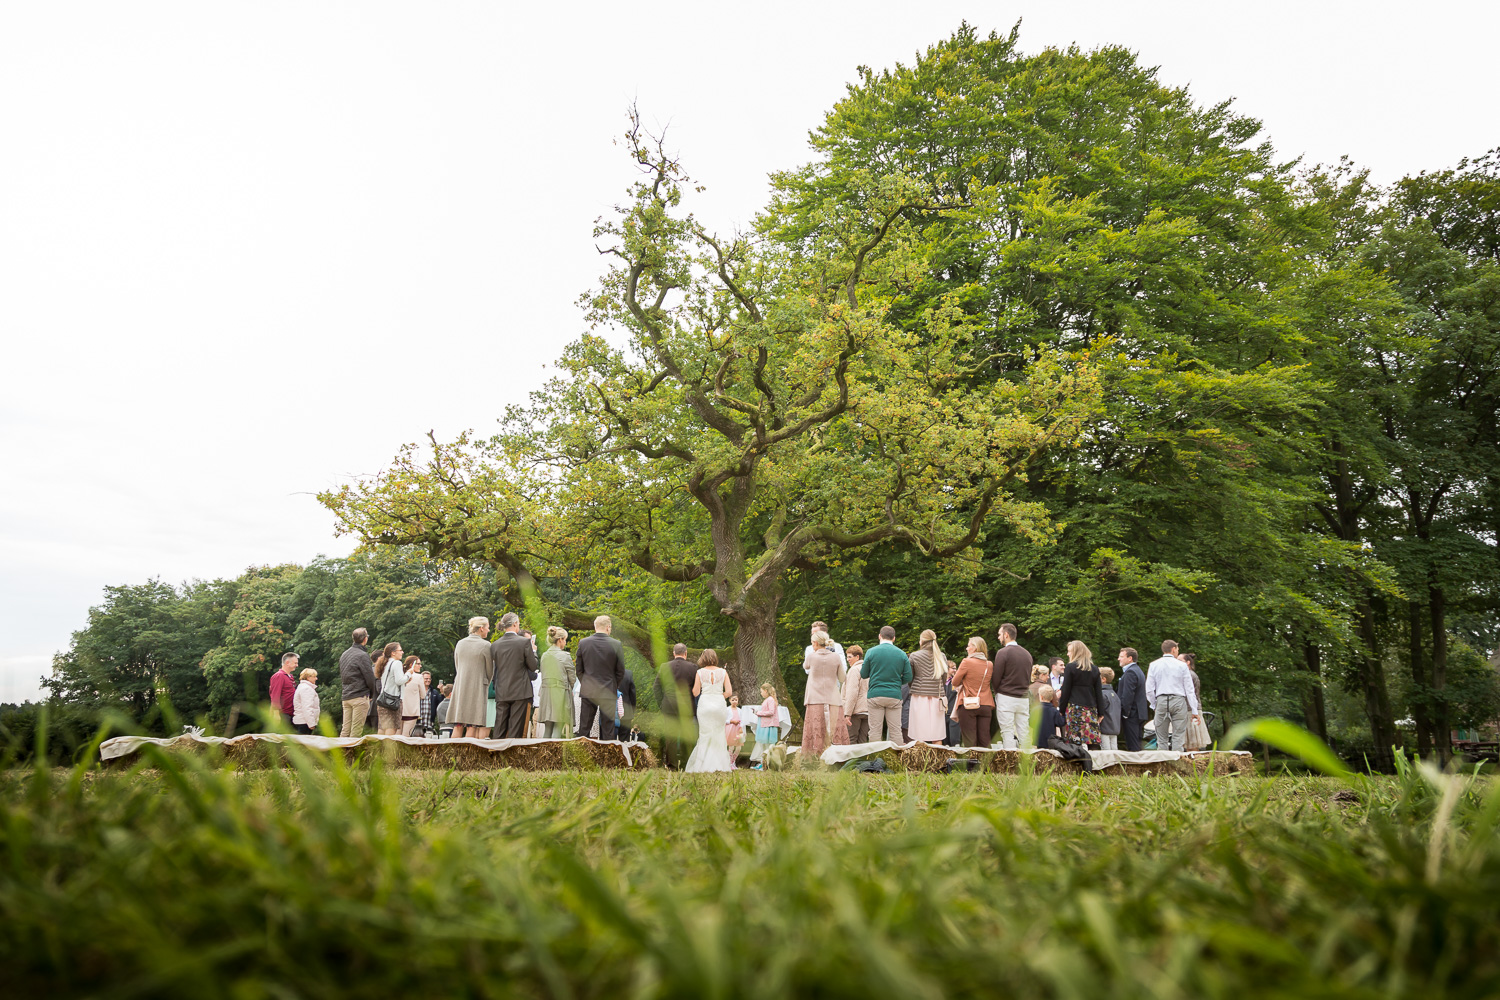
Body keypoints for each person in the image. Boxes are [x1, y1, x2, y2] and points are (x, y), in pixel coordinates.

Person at [490, 612, 540, 739]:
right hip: (520, 691)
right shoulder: (524, 642)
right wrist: (534, 652)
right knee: (515, 729)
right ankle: (511, 756)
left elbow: (495, 669)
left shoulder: (495, 645)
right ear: (515, 624)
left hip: (502, 690)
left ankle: (497, 754)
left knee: (500, 727)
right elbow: (533, 667)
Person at [577, 615, 627, 741]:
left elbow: (579, 669)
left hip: (589, 690)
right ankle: (607, 758)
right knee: (608, 730)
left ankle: (582, 757)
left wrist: (586, 683)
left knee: (584, 728)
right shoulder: (616, 644)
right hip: (608, 689)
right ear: (608, 627)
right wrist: (614, 685)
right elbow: (620, 671)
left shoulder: (583, 643)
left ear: (595, 626)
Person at [1145, 639, 1201, 752]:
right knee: (1178, 737)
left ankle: (1162, 763)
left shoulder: (1154, 665)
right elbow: (1189, 690)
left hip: (1161, 699)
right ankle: (1177, 762)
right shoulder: (1182, 666)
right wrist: (1194, 711)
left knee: (1161, 738)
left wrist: (1154, 704)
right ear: (1173, 649)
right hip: (1178, 700)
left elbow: (1149, 690)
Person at [685, 649, 735, 772]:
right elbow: (729, 692)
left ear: (703, 659)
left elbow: (696, 692)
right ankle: (720, 765)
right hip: (719, 704)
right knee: (719, 733)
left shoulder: (700, 672)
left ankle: (702, 765)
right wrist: (718, 696)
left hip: (705, 704)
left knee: (704, 734)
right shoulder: (723, 672)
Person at [801, 629, 848, 756]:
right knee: (834, 728)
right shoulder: (836, 656)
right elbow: (843, 678)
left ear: (815, 643)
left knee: (816, 728)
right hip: (832, 698)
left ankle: (814, 756)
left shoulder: (811, 656)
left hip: (814, 698)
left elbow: (805, 666)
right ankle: (837, 754)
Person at [861, 626, 912, 743]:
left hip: (875, 695)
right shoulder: (902, 654)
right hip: (894, 695)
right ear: (894, 638)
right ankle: (897, 759)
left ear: (879, 636)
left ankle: (875, 758)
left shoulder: (871, 652)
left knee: (874, 731)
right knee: (895, 731)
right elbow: (908, 677)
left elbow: (863, 674)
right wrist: (897, 683)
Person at [654, 643, 699, 769]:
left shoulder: (664, 667)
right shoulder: (693, 667)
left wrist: (661, 704)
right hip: (687, 707)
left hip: (669, 706)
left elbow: (656, 687)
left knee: (671, 738)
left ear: (674, 653)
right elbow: (697, 689)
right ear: (686, 653)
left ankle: (672, 766)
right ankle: (685, 765)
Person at [450, 616, 494, 740]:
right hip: (477, 687)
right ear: (481, 628)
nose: (488, 630)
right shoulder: (486, 645)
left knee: (458, 724)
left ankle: (453, 755)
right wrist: (484, 682)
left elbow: (457, 665)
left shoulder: (460, 643)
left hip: (460, 685)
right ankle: (468, 756)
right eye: (487, 627)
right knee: (471, 725)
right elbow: (490, 670)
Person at [991, 623, 1034, 749]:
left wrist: (997, 692)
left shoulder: (1003, 653)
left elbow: (996, 677)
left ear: (1006, 635)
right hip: (1023, 698)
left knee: (1007, 732)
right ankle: (1028, 762)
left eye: (1000, 634)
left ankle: (1010, 765)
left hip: (1006, 696)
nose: (999, 637)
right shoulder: (1027, 654)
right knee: (1024, 732)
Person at [1057, 640, 1104, 750]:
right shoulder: (1094, 669)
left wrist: (1062, 709)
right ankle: (1096, 765)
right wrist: (1101, 712)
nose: (1068, 654)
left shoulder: (1070, 667)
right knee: (1093, 740)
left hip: (1075, 708)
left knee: (1074, 740)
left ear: (1076, 652)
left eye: (1069, 651)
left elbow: (1066, 690)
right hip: (1091, 709)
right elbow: (1098, 692)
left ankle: (1076, 766)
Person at [907, 629, 950, 744]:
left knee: (919, 734)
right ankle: (937, 761)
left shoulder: (914, 656)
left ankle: (921, 761)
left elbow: (910, 678)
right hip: (937, 697)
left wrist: (915, 686)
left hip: (919, 697)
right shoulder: (942, 656)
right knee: (937, 735)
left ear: (922, 641)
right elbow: (944, 678)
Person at [950, 637, 994, 748]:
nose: (967, 648)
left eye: (969, 645)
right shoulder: (989, 664)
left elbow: (954, 681)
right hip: (986, 704)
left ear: (975, 648)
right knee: (984, 740)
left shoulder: (967, 662)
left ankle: (971, 765)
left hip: (968, 704)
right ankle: (986, 765)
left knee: (970, 741)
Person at [536, 626, 576, 738]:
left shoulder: (544, 655)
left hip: (546, 693)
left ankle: (545, 753)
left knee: (547, 728)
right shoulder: (565, 656)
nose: (565, 643)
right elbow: (572, 678)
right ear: (560, 640)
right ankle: (556, 754)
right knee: (558, 726)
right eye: (565, 640)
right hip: (561, 693)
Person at [338, 628, 378, 738]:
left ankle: (340, 753)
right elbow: (370, 677)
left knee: (345, 730)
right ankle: (351, 755)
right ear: (365, 639)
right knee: (356, 731)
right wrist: (372, 693)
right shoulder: (362, 655)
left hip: (346, 696)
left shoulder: (344, 654)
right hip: (359, 696)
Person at [372, 642, 407, 736]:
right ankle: (387, 750)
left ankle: (378, 749)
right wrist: (409, 674)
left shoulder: (384, 663)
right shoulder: (397, 663)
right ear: (393, 653)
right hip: (393, 701)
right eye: (400, 650)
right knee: (391, 728)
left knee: (382, 728)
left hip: (383, 700)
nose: (402, 652)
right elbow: (399, 681)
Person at [1116, 648, 1148, 752]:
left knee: (1132, 745)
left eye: (1121, 656)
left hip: (1132, 714)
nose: (1118, 659)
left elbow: (1128, 694)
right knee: (1137, 743)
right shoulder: (1137, 670)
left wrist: (1125, 712)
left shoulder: (1131, 672)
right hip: (1138, 712)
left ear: (1130, 658)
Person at [1181, 652, 1211, 750]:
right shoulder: (1189, 674)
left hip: (1191, 710)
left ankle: (1195, 764)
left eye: (1180, 661)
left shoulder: (1189, 675)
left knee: (1193, 742)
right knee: (1190, 742)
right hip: (1190, 709)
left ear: (1188, 662)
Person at [841, 645, 869, 744]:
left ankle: (853, 760)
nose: (848, 660)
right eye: (847, 657)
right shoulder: (868, 668)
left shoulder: (854, 670)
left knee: (851, 740)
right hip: (867, 710)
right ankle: (863, 759)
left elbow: (852, 693)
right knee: (863, 741)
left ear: (857, 657)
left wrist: (847, 713)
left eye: (850, 657)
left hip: (855, 711)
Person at [751, 683, 780, 768]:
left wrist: (758, 713)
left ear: (766, 691)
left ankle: (768, 763)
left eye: (761, 691)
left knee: (768, 746)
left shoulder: (770, 699)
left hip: (768, 725)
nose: (761, 693)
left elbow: (771, 712)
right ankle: (763, 763)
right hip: (764, 724)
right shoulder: (767, 700)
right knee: (763, 745)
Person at [269, 652, 298, 727]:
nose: (297, 665)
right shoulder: (279, 676)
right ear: (287, 663)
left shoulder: (290, 677)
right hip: (282, 714)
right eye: (295, 663)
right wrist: (276, 714)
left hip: (290, 713)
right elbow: (275, 695)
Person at [400, 655, 426, 736]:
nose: (420, 666)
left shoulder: (400, 675)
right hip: (411, 712)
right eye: (418, 664)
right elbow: (423, 695)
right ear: (412, 664)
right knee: (406, 737)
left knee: (396, 737)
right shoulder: (419, 677)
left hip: (398, 710)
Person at [1098, 666, 1122, 751]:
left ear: (1103, 679)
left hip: (1105, 728)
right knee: (1115, 752)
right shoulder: (1115, 695)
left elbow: (1100, 711)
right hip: (1115, 728)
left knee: (1106, 753)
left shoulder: (1102, 694)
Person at [291, 667, 320, 734]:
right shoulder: (306, 689)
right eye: (314, 676)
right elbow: (307, 707)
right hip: (304, 722)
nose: (316, 678)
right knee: (304, 743)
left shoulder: (303, 687)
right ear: (308, 677)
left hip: (303, 721)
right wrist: (311, 723)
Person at [418, 670, 438, 736]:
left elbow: (439, 705)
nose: (428, 680)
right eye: (426, 678)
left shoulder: (434, 692)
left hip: (429, 724)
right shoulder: (417, 691)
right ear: (421, 679)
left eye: (429, 679)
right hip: (418, 723)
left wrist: (443, 693)